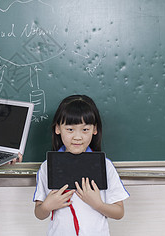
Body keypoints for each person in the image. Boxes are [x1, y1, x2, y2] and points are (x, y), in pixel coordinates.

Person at [33, 95, 129, 236]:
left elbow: (119, 212)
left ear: (94, 129)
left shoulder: (105, 166)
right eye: (70, 129)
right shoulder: (48, 167)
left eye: (85, 130)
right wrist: (47, 206)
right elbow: (39, 213)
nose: (77, 137)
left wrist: (98, 205)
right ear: (58, 129)